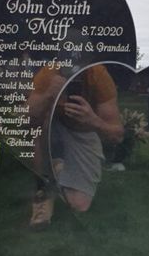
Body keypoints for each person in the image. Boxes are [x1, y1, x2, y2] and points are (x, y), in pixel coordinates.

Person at [28, 64, 123, 228]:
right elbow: (24, 117)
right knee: (38, 125)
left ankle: (57, 172)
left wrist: (94, 121)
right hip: (52, 130)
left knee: (79, 205)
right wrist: (48, 94)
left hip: (83, 133)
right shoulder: (49, 73)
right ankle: (44, 190)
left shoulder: (98, 75)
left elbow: (117, 134)